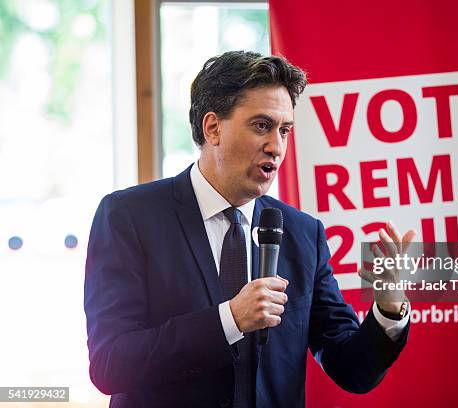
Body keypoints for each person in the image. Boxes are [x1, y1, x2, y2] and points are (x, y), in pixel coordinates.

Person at [84, 50, 413, 408]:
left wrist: (388, 311)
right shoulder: (129, 216)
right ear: (213, 128)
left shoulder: (304, 235)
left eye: (284, 130)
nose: (276, 146)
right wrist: (230, 319)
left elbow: (352, 370)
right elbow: (110, 364)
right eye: (261, 126)